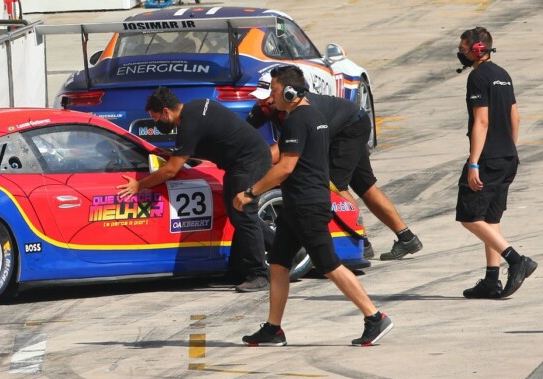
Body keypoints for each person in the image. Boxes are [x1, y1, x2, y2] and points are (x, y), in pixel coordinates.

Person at [239, 65, 392, 346]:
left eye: (275, 91)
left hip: (307, 205)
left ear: (290, 92)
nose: (272, 97)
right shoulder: (313, 115)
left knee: (329, 265)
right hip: (296, 205)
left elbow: (285, 167)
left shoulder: (297, 121)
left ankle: (374, 317)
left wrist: (251, 192)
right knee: (278, 264)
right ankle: (273, 329)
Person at [247, 70, 423, 261]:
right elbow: (244, 134)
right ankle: (407, 238)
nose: (262, 104)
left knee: (336, 186)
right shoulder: (266, 105)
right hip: (347, 123)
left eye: (268, 98)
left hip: (350, 127)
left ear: (286, 93)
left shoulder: (299, 110)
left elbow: (283, 149)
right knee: (366, 186)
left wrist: (253, 163)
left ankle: (360, 242)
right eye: (259, 99)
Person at [117, 87, 273, 292]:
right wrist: (174, 154)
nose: (156, 123)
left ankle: (260, 274)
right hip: (242, 161)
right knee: (237, 213)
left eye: (155, 118)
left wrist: (139, 185)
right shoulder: (196, 107)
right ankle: (275, 253)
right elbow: (204, 142)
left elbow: (171, 171)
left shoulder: (188, 125)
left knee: (244, 214)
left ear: (166, 111)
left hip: (249, 161)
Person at [455, 27, 537, 299]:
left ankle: (516, 260)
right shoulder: (503, 74)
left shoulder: (478, 77)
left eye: (463, 48)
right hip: (507, 157)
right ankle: (492, 280)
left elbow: (482, 121)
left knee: (469, 217)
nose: (460, 53)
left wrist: (474, 163)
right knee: (490, 220)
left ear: (477, 49)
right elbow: (515, 117)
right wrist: (509, 149)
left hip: (488, 159)